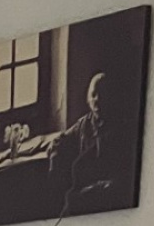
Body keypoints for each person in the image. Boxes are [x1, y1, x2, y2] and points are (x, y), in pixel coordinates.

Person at [49, 72, 119, 211]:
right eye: (93, 95)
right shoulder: (84, 123)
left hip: (103, 192)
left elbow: (119, 176)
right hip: (81, 188)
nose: (97, 99)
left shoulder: (119, 129)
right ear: (88, 99)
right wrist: (55, 161)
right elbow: (60, 140)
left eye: (102, 95)